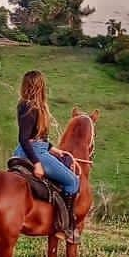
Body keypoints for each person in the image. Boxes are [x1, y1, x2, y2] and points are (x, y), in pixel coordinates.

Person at [13, 70, 80, 240]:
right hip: (35, 152)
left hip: (24, 151)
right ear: (40, 87)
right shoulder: (32, 107)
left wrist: (53, 148)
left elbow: (34, 135)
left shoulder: (24, 104)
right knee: (72, 181)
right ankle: (67, 227)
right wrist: (36, 163)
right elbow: (24, 138)